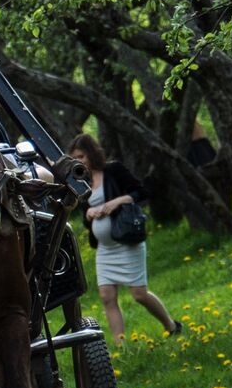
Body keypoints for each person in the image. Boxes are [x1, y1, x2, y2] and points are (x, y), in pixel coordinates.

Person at [69, 134, 182, 342]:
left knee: (139, 294)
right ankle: (121, 346)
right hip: (105, 247)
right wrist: (88, 214)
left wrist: (117, 202)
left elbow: (141, 192)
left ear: (92, 153)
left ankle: (171, 325)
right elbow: (87, 215)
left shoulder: (113, 171)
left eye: (82, 156)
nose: (79, 161)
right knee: (106, 296)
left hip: (127, 242)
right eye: (75, 157)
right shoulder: (81, 181)